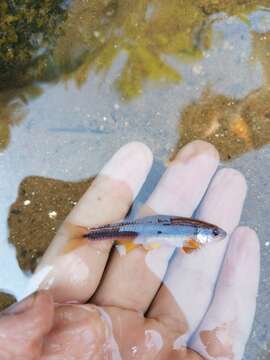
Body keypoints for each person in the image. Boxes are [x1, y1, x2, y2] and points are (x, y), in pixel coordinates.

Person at [0, 141, 260, 359]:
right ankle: (81, 236)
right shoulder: (193, 235)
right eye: (214, 233)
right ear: (202, 233)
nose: (216, 236)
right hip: (142, 232)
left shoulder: (192, 236)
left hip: (143, 232)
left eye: (215, 233)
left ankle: (81, 236)